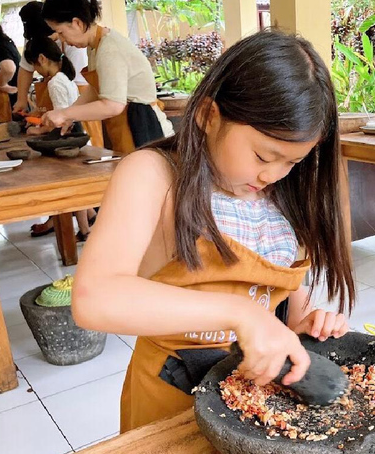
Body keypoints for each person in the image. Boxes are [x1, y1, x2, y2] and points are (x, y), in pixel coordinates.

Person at [72, 30, 356, 432]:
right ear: (208, 115)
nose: (272, 174)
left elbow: (283, 290)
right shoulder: (153, 175)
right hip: (170, 401)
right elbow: (94, 298)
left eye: (291, 162)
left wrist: (302, 325)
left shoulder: (281, 193)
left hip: (254, 403)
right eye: (263, 155)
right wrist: (240, 314)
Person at [40, 0, 173, 152]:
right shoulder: (95, 46)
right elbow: (96, 90)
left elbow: (113, 105)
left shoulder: (109, 48)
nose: (62, 40)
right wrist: (68, 113)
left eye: (60, 32)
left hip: (142, 126)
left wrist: (66, 114)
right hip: (127, 126)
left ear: (77, 23)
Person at [23, 36, 97, 240]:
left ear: (42, 59)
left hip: (69, 138)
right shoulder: (64, 77)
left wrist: (38, 131)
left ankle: (85, 231)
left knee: (75, 189)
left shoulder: (55, 83)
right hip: (78, 133)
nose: (36, 71)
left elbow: (61, 119)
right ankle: (91, 216)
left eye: (35, 66)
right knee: (79, 187)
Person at [12, 1, 89, 117]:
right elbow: (25, 67)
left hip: (80, 107)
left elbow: (62, 116)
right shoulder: (33, 37)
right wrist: (22, 100)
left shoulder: (72, 41)